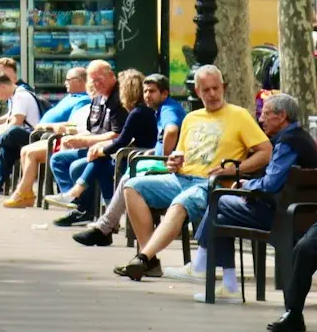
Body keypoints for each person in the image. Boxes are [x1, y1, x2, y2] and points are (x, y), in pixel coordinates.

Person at [109, 66, 270, 282]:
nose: (212, 94)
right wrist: (174, 159)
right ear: (197, 92)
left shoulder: (239, 115)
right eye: (206, 90)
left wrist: (235, 169)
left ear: (223, 87)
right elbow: (181, 152)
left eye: (215, 88)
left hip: (213, 183)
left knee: (181, 202)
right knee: (132, 186)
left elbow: (265, 152)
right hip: (180, 177)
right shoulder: (191, 118)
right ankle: (151, 260)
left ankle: (142, 258)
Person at [184, 94, 317, 303]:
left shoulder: (288, 143)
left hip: (282, 218)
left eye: (265, 114)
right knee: (222, 214)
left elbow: (270, 183)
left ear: (281, 116)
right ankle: (229, 286)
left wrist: (247, 185)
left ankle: (201, 262)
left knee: (218, 200)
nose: (260, 119)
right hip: (301, 215)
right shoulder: (303, 138)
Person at [46, 71, 157, 224]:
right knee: (99, 162)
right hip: (131, 155)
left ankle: (79, 196)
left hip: (137, 159)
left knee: (100, 162)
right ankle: (106, 215)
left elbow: (121, 140)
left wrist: (101, 150)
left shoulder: (137, 112)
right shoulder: (137, 111)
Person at [9, 61, 125, 206]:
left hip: (107, 150)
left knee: (78, 165)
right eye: (93, 81)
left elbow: (115, 134)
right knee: (57, 159)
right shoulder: (97, 99)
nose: (95, 85)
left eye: (99, 80)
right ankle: (75, 202)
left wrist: (82, 140)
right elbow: (93, 130)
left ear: (111, 76)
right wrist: (79, 138)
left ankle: (79, 203)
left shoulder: (117, 100)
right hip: (90, 145)